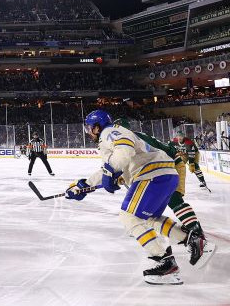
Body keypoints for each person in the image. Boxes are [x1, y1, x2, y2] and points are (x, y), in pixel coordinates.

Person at [65, 111, 215, 285]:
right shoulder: (112, 137)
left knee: (128, 216)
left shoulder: (108, 132)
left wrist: (109, 173)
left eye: (89, 128)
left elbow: (123, 152)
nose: (88, 131)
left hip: (152, 174)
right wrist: (83, 185)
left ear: (97, 126)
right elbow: (114, 166)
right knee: (150, 218)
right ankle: (193, 241)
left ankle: (165, 263)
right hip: (163, 173)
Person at [113, 118, 206, 240]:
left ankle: (195, 229)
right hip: (165, 165)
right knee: (169, 199)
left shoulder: (132, 138)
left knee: (174, 198)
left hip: (171, 164)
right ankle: (192, 228)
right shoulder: (133, 138)